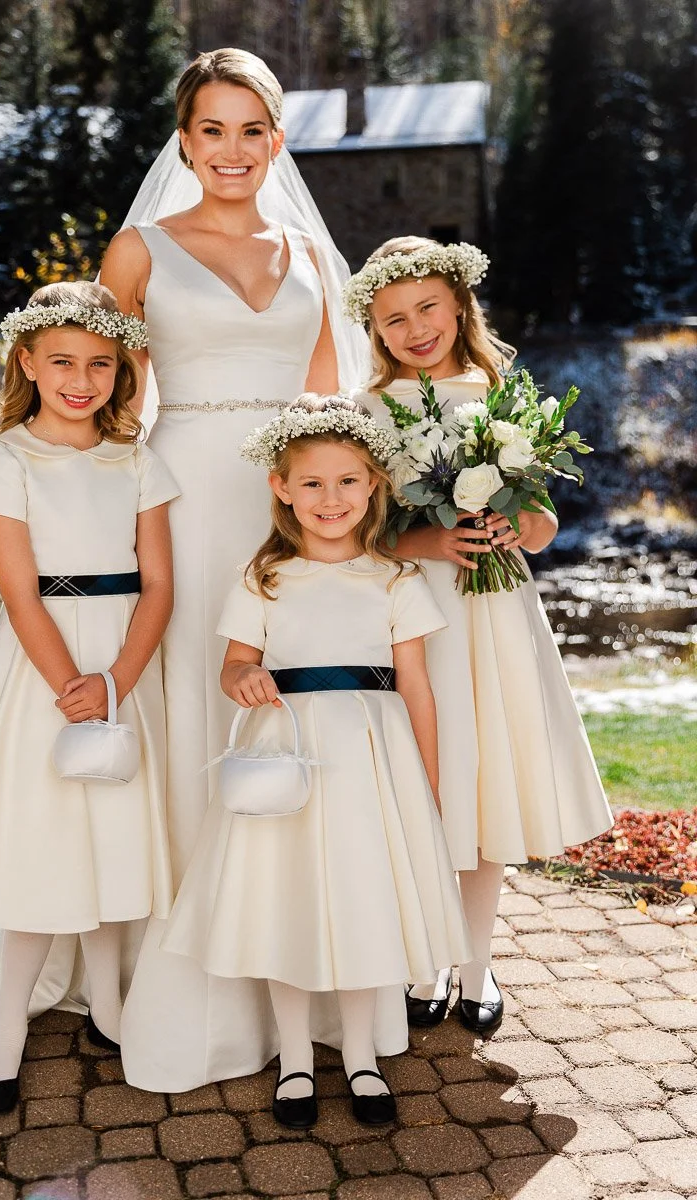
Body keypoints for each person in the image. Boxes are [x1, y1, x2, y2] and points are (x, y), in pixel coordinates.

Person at [98, 48, 410, 1092]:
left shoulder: (314, 261)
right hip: (182, 501)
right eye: (210, 130)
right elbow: (100, 401)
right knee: (199, 704)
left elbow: (329, 412)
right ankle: (199, 971)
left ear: (276, 140)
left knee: (299, 711)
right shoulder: (137, 250)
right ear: (182, 141)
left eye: (250, 130)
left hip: (292, 517)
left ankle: (311, 956)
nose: (230, 150)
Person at [159, 395, 471, 1126]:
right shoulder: (263, 578)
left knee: (365, 905)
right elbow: (233, 667)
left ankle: (361, 1058)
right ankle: (296, 1059)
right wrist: (243, 679)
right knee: (284, 900)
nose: (330, 499)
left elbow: (418, 690)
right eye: (312, 484)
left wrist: (424, 785)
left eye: (347, 482)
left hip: (371, 764)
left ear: (373, 486)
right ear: (281, 488)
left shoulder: (395, 580)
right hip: (287, 758)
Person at [0, 281, 179, 1110]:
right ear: (27, 360)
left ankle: (107, 1001)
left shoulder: (136, 458)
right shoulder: (3, 460)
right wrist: (70, 682)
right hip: (43, 671)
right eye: (62, 360)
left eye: (101, 364)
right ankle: (8, 1025)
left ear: (121, 370)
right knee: (47, 837)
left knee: (113, 832)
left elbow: (161, 585)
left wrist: (117, 681)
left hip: (124, 664)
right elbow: (21, 593)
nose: (81, 378)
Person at [345, 236, 613, 1035]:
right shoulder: (366, 410)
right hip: (412, 617)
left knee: (485, 775)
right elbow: (355, 529)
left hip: (493, 614)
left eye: (428, 307)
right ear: (375, 329)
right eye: (394, 318)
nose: (415, 328)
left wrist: (510, 513)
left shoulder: (500, 390)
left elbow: (541, 527)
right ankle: (423, 959)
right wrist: (431, 540)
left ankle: (476, 962)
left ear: (459, 304)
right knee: (429, 783)